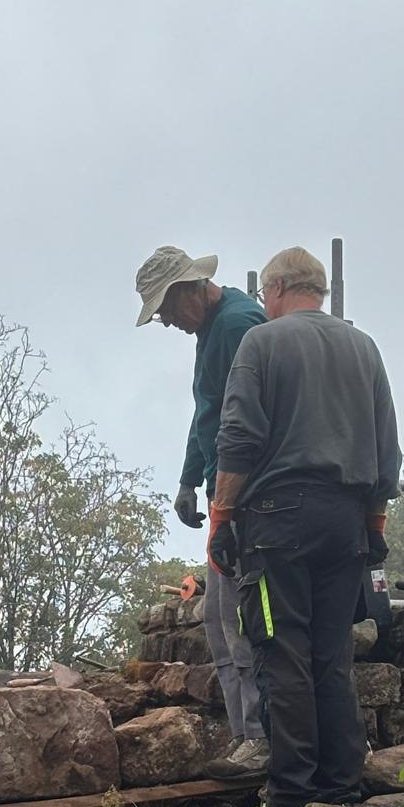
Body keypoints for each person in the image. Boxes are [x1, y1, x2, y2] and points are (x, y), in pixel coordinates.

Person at [209, 247, 401, 807]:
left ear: (276, 288)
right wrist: (373, 525)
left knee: (280, 650)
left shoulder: (261, 343)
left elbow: (239, 436)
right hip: (346, 523)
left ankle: (289, 801)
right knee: (331, 653)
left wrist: (222, 516)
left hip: (278, 524)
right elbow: (387, 448)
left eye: (264, 295)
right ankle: (340, 790)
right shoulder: (364, 347)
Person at [135, 245, 268, 774]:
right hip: (222, 494)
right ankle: (244, 736)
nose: (167, 322)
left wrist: (230, 506)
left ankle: (260, 739)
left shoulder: (237, 325)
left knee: (240, 621)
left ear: (190, 289)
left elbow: (247, 421)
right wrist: (190, 479)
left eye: (166, 309)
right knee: (217, 619)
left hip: (246, 496)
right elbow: (207, 413)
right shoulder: (210, 330)